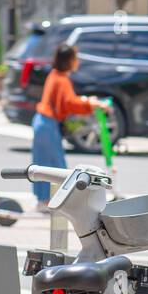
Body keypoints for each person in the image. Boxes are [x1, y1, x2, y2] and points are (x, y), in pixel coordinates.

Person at [29, 43, 107, 211]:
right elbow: (69, 103)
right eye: (75, 58)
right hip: (47, 124)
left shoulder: (55, 75)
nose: (77, 61)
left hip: (43, 121)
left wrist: (87, 102)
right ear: (69, 60)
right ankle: (50, 202)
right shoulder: (62, 79)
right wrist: (89, 103)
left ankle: (43, 200)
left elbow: (66, 102)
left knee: (44, 163)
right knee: (56, 165)